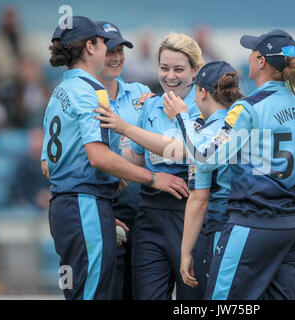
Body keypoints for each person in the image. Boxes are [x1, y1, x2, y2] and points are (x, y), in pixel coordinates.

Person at [40, 16, 188, 300]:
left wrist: (102, 207)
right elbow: (98, 157)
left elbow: (50, 162)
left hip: (75, 206)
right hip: (85, 203)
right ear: (90, 47)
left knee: (85, 291)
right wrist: (154, 178)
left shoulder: (60, 89)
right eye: (103, 44)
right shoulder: (91, 90)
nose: (111, 52)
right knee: (93, 293)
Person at [164, 29, 295, 300]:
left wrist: (182, 118)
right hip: (292, 227)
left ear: (261, 61)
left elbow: (204, 157)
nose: (248, 57)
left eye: (252, 52)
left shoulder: (248, 107)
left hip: (253, 224)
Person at [95, 32, 208, 300]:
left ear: (195, 71)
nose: (170, 76)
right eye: (164, 68)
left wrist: (126, 128)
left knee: (193, 299)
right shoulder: (151, 105)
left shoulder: (203, 105)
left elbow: (184, 151)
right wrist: (102, 161)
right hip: (150, 214)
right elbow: (134, 157)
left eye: (179, 69)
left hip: (190, 213)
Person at [162, 61, 244, 289]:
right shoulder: (242, 122)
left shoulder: (206, 134)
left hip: (221, 225)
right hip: (249, 224)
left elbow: (199, 199)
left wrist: (186, 252)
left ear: (203, 92)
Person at [94, 21, 152, 300]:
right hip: (107, 211)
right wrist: (105, 216)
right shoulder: (83, 98)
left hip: (144, 213)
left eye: (120, 50)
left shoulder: (140, 93)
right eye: (109, 51)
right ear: (91, 52)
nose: (116, 57)